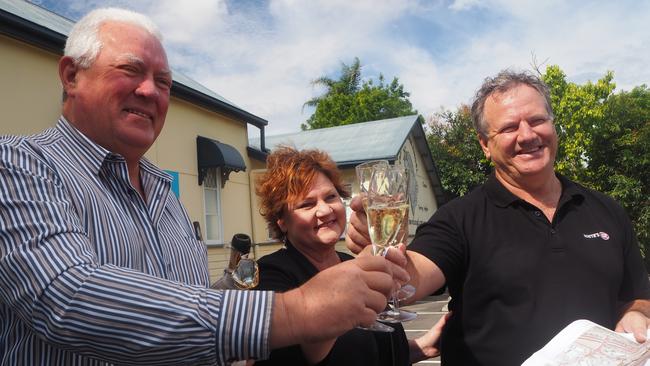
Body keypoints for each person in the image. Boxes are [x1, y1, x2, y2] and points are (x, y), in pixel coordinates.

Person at [0, 8, 409, 365]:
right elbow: (68, 298)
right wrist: (296, 310)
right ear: (71, 75)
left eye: (163, 82)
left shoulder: (164, 195)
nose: (150, 91)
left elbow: (189, 306)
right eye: (130, 70)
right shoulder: (20, 164)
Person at [346, 70, 650, 365]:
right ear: (485, 145)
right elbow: (412, 278)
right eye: (508, 128)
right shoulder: (459, 218)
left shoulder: (606, 210)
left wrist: (635, 314)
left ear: (553, 126)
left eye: (537, 120)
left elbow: (637, 295)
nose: (527, 135)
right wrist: (381, 255)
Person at [253, 146, 447, 366]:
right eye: (307, 204)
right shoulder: (269, 277)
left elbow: (376, 352)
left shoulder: (351, 262)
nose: (325, 210)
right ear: (282, 221)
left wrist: (422, 347)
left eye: (331, 197)